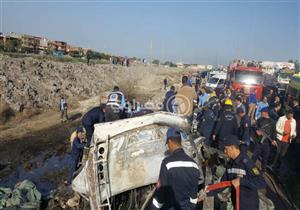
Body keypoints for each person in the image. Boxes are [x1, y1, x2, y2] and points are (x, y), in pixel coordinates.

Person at [205, 135, 266, 210]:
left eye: (226, 149)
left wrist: (241, 182)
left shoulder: (247, 163)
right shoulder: (230, 164)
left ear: (232, 147)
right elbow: (223, 183)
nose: (224, 151)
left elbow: (261, 182)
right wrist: (207, 192)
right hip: (236, 204)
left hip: (249, 205)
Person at [151, 128, 200, 210]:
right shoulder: (194, 165)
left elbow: (160, 194)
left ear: (170, 142)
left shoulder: (167, 163)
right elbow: (193, 196)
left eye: (167, 144)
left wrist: (153, 208)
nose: (168, 147)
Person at [252, 107, 276, 172]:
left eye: (262, 113)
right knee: (254, 156)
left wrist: (273, 140)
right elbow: (254, 126)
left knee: (265, 158)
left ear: (266, 113)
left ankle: (262, 171)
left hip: (267, 144)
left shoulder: (272, 122)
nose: (261, 114)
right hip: (259, 142)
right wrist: (257, 131)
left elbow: (274, 132)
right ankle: (251, 169)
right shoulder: (260, 120)